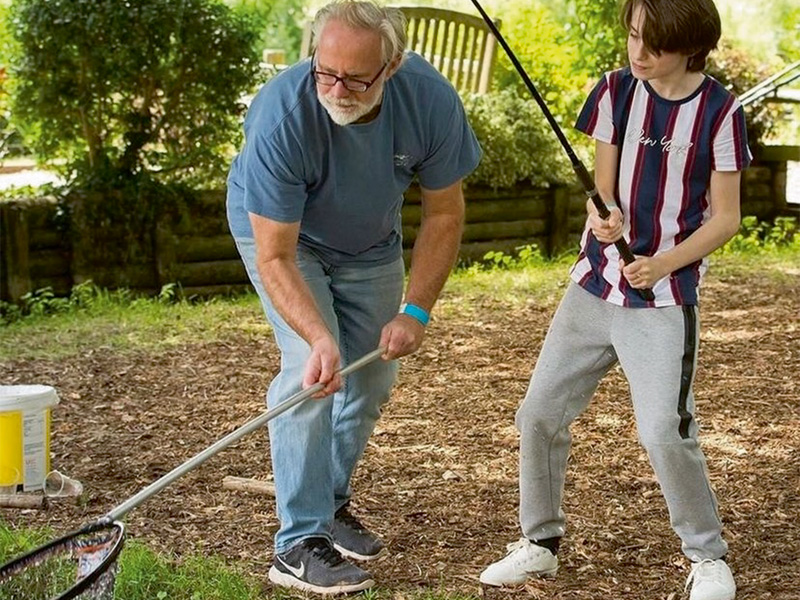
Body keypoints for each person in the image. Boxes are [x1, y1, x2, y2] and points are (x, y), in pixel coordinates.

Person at [479, 1, 749, 599]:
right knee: (539, 414)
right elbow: (601, 187)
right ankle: (539, 544)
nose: (637, 53)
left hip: (663, 298)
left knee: (661, 430)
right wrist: (604, 215)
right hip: (593, 286)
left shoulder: (720, 112)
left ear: (690, 45)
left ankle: (707, 558)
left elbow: (726, 218)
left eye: (653, 44)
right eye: (632, 36)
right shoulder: (614, 93)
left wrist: (663, 263)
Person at [226, 0, 481, 594]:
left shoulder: (430, 101)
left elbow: (444, 213)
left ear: (392, 65)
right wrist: (318, 336)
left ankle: (331, 503)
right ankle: (297, 543)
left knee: (371, 378)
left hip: (369, 242)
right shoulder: (281, 115)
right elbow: (276, 256)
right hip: (287, 240)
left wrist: (416, 310)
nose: (337, 89)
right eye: (325, 71)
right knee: (311, 371)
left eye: (356, 78)